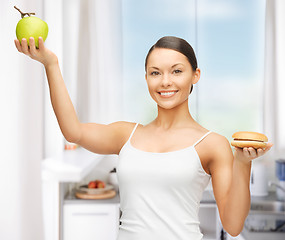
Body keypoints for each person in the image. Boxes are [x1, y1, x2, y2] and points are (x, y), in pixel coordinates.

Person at [15, 36, 273, 240]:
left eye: (176, 71)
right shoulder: (126, 134)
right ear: (147, 78)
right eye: (155, 73)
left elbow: (233, 224)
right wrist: (51, 64)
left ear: (195, 75)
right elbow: (73, 131)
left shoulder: (212, 144)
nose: (165, 82)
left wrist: (243, 163)